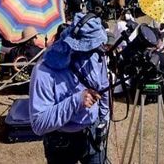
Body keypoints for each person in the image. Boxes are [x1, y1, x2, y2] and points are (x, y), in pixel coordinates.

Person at [29, 13, 110, 164]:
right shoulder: (43, 70)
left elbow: (104, 85)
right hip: (60, 142)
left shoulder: (95, 55)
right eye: (91, 47)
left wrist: (104, 119)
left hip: (92, 134)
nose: (96, 51)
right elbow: (38, 124)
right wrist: (77, 100)